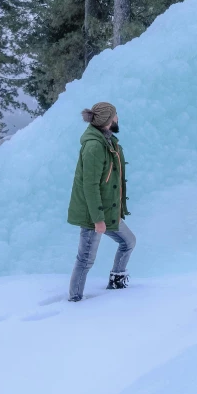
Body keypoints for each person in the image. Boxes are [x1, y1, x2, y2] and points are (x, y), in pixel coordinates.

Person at [67, 102, 136, 301]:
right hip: (94, 214)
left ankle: (116, 282)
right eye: (115, 115)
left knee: (128, 242)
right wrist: (97, 219)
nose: (117, 118)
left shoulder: (106, 141)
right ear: (108, 120)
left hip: (108, 211)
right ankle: (75, 300)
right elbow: (90, 185)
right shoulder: (94, 146)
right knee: (86, 259)